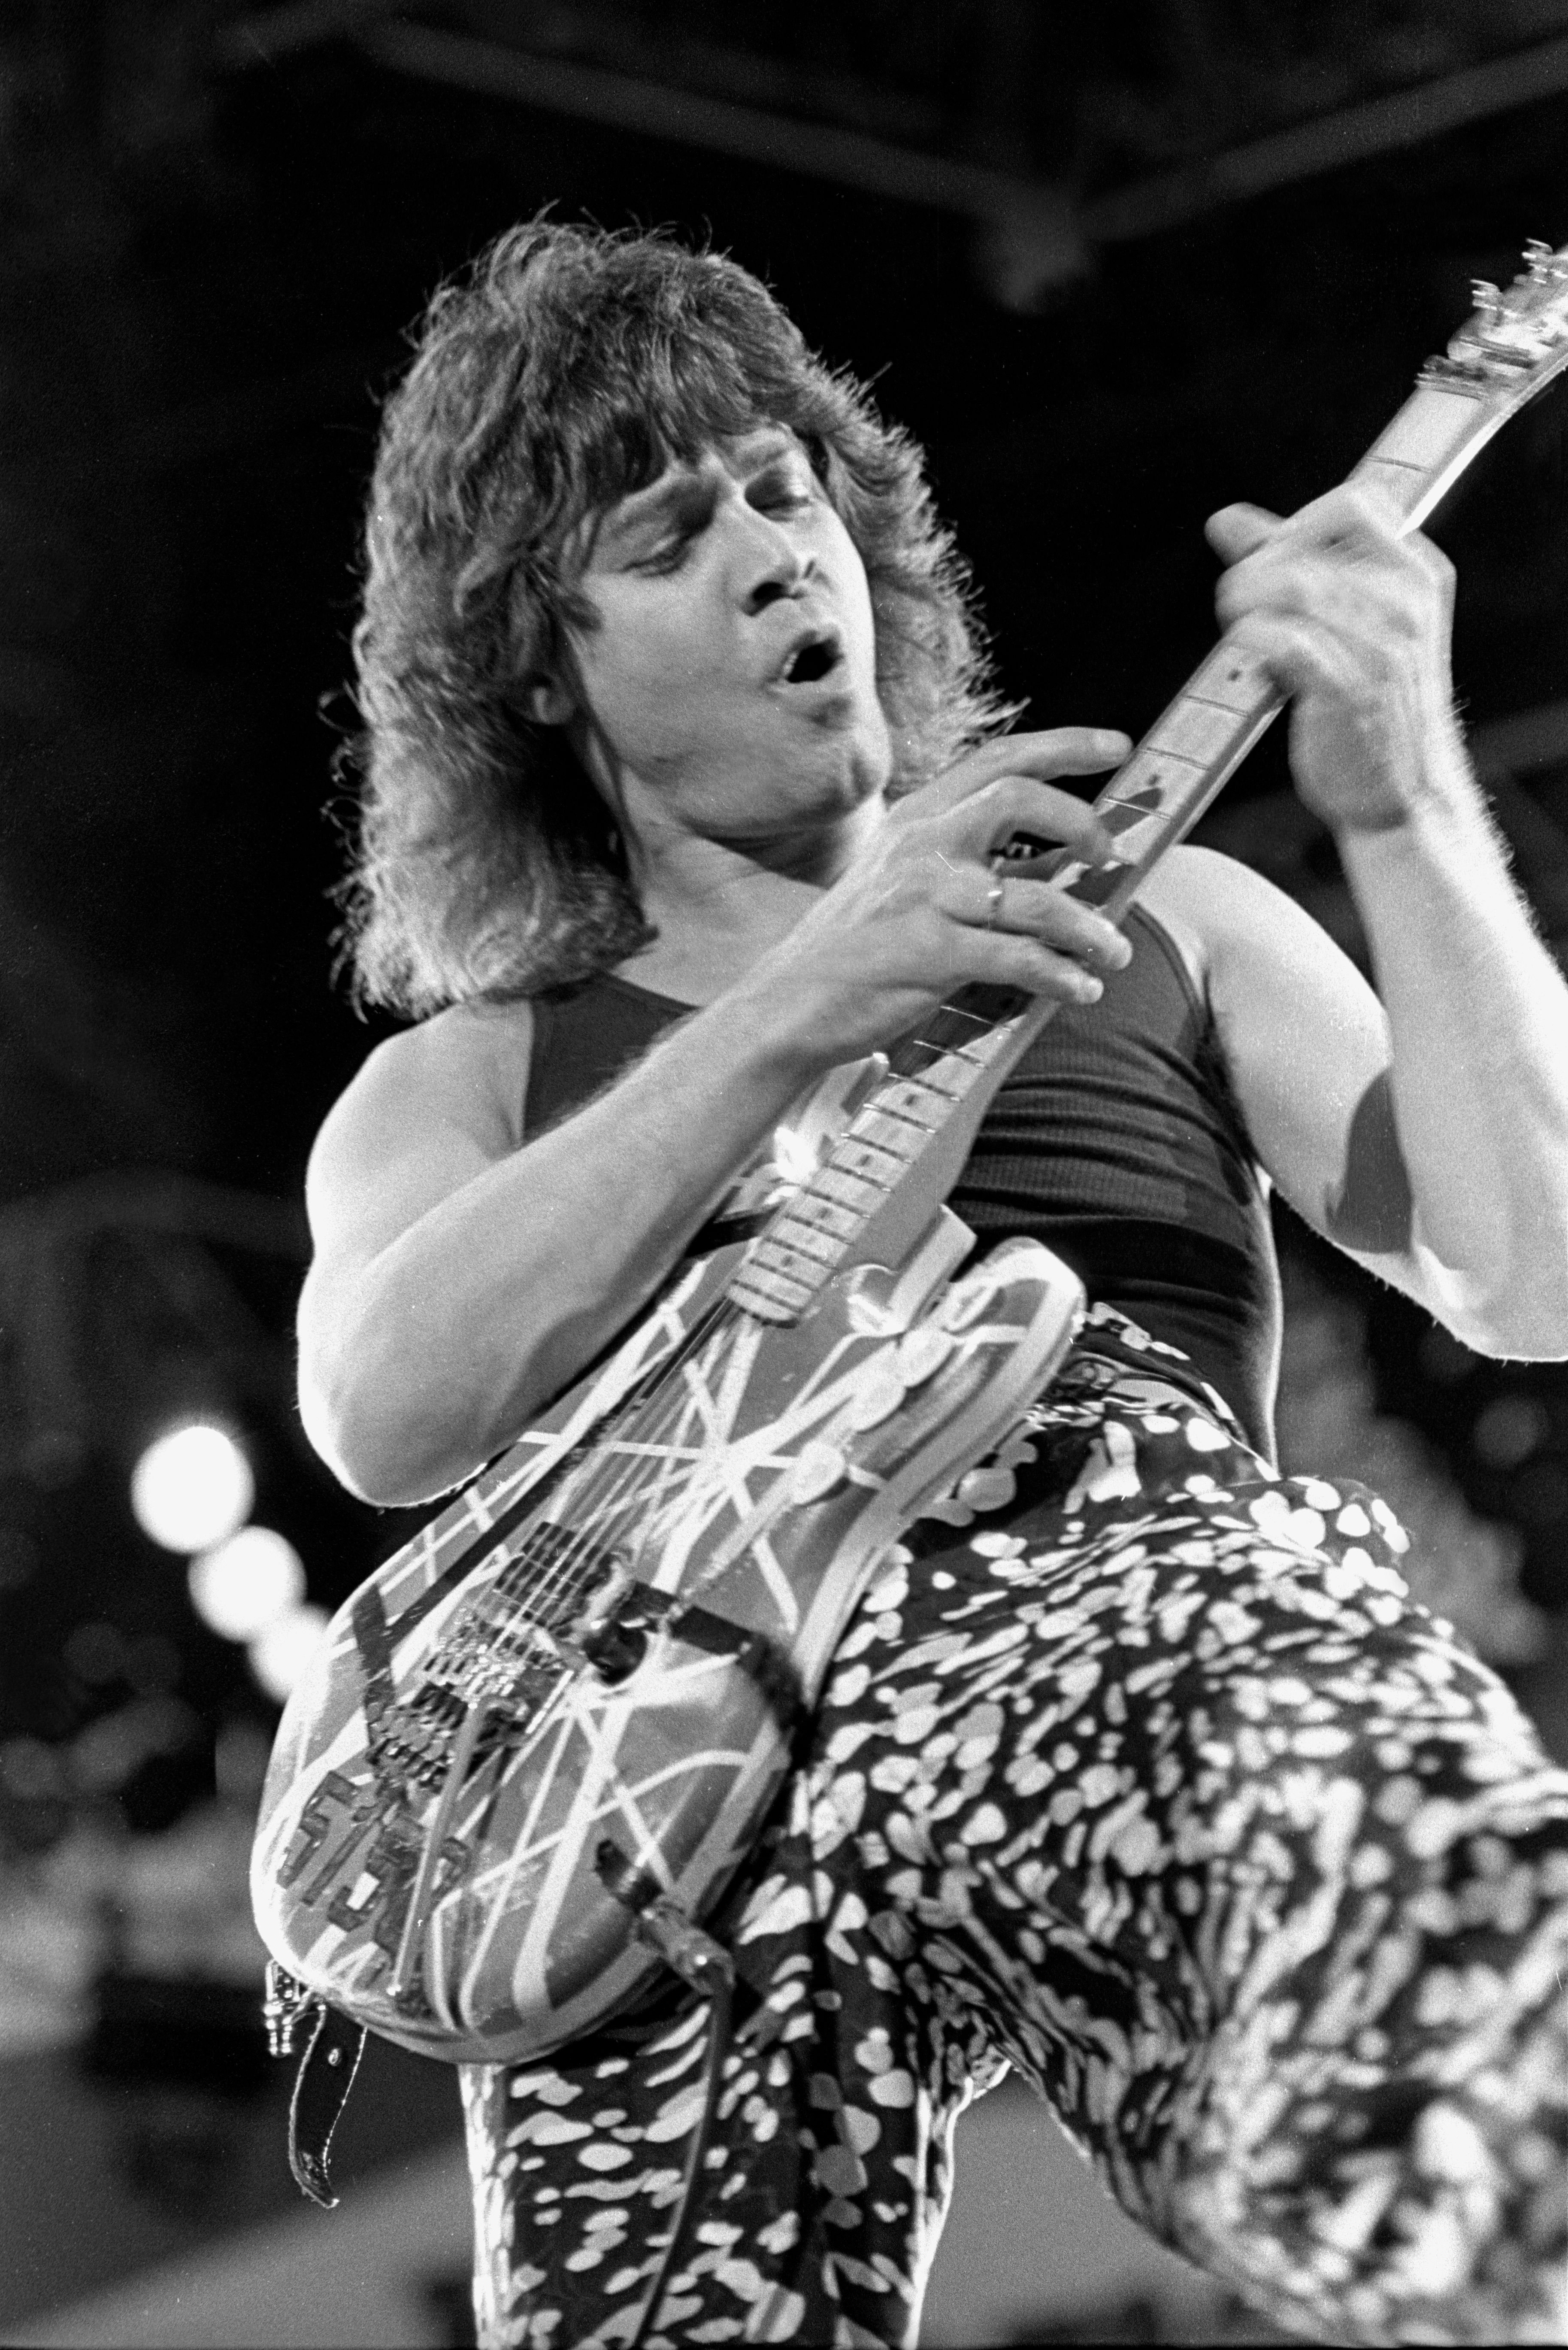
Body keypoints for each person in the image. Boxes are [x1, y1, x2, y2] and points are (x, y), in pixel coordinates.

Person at [295, 219, 1568, 2347]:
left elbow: (1530, 1275)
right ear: (536, 664)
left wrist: (1404, 790)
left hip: (1118, 1618)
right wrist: (807, 998)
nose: (778, 554)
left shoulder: (1177, 927)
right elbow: (382, 1408)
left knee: (1467, 2035)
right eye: (676, 533)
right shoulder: (478, 1077)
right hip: (667, 1827)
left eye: (788, 491)